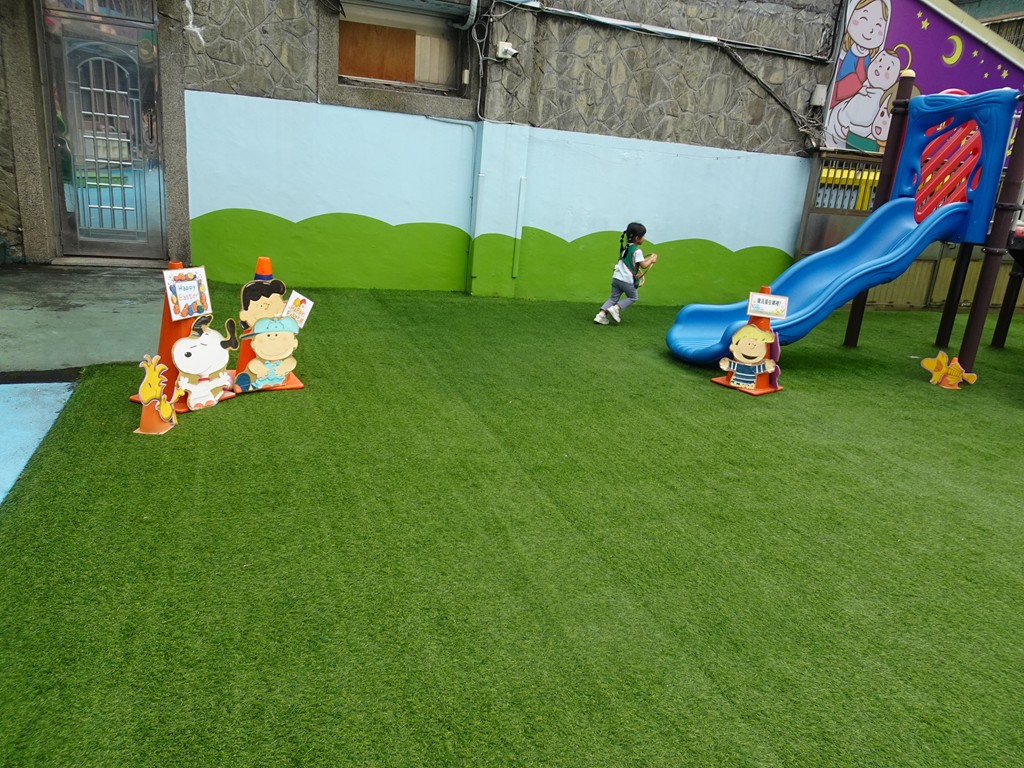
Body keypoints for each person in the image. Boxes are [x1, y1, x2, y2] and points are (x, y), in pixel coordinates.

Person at [594, 222, 658, 325]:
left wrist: (636, 272)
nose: (644, 238)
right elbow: (644, 265)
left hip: (616, 278)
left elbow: (630, 265)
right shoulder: (637, 251)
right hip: (626, 280)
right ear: (637, 238)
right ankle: (615, 308)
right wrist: (651, 260)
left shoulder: (625, 248)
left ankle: (600, 316)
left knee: (613, 298)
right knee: (633, 297)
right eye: (643, 236)